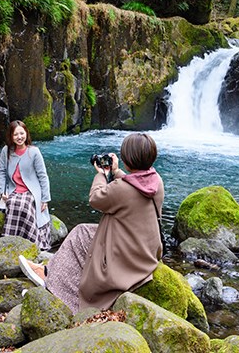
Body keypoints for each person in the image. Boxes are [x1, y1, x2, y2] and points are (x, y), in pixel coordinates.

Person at [18, 132, 164, 313]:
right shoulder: (155, 181)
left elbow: (96, 198)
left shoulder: (122, 190)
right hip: (144, 249)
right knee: (84, 232)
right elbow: (133, 186)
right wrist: (117, 172)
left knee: (80, 237)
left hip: (127, 257)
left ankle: (61, 293)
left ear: (128, 159)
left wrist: (102, 175)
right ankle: (49, 270)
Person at [0, 120, 51, 250]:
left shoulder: (34, 152)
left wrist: (45, 199)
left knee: (24, 205)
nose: (19, 137)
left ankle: (33, 241)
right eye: (16, 134)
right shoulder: (6, 151)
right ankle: (10, 241)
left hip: (31, 190)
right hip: (13, 189)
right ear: (11, 136)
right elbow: (1, 172)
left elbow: (43, 176)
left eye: (22, 133)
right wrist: (2, 191)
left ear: (26, 133)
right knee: (12, 202)